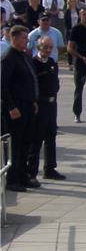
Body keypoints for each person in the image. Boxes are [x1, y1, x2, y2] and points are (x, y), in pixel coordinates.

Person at [1, 26, 40, 192]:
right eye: (24, 38)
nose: (27, 41)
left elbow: (30, 80)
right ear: (14, 38)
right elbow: (3, 86)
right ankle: (12, 179)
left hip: (27, 105)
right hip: (15, 107)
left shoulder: (23, 56)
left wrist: (33, 101)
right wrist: (11, 106)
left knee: (26, 142)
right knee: (15, 144)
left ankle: (23, 176)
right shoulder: (8, 58)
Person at [28, 35, 66, 181]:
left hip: (52, 104)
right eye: (45, 47)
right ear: (39, 47)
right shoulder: (33, 63)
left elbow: (55, 81)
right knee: (37, 138)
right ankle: (31, 171)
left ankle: (50, 168)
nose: (48, 50)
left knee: (51, 136)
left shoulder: (51, 62)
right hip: (40, 104)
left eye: (50, 47)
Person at [64, 0, 80, 68]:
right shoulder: (67, 11)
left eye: (73, 1)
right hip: (70, 31)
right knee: (70, 47)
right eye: (70, 1)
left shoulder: (78, 10)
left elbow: (80, 20)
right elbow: (65, 22)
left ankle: (76, 61)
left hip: (77, 31)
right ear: (68, 2)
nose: (72, 2)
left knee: (77, 46)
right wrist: (69, 29)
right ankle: (70, 62)